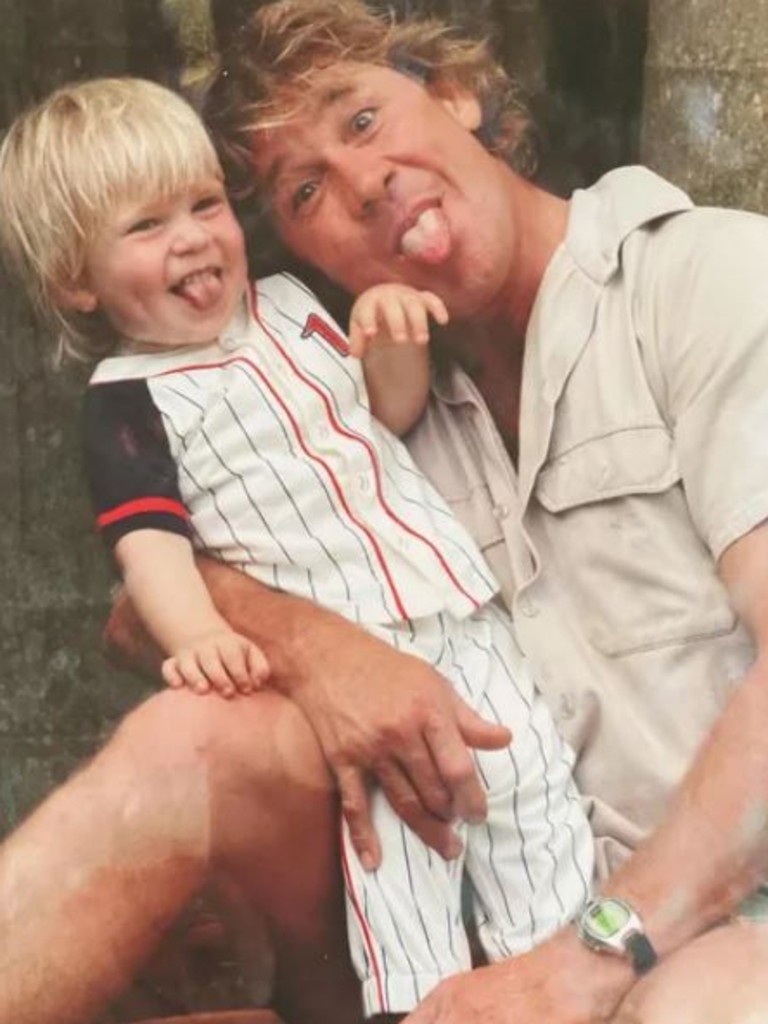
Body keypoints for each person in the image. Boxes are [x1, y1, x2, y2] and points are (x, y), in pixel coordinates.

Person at [1, 1, 768, 1022]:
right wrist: (330, 655)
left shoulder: (703, 279)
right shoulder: (355, 386)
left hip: (704, 921)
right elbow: (145, 608)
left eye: (360, 120)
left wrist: (594, 953)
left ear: (457, 94)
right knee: (189, 739)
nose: (361, 186)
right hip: (451, 893)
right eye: (305, 187)